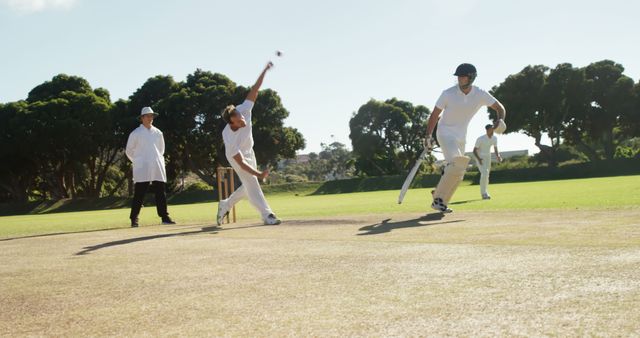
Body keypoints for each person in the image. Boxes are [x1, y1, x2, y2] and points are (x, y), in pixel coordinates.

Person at [424, 63, 506, 213]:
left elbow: (500, 108)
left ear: (471, 77)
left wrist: (500, 120)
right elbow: (434, 115)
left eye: (463, 77)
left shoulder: (480, 94)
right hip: (444, 133)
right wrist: (428, 135)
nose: (460, 80)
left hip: (462, 136)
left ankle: (440, 198)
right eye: (458, 78)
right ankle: (437, 200)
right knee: (457, 163)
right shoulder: (448, 93)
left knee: (459, 172)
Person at [216, 62, 281, 226]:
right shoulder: (229, 137)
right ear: (232, 123)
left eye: (241, 116)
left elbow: (255, 89)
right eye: (239, 120)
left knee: (247, 186)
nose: (243, 120)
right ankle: (267, 215)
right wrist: (258, 173)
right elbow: (241, 162)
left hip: (249, 151)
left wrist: (265, 70)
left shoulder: (243, 110)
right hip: (236, 157)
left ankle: (226, 204)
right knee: (252, 181)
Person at [125, 107, 176, 227]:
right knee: (140, 192)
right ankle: (134, 218)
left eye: (152, 116)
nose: (150, 118)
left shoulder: (158, 132)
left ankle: (164, 217)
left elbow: (161, 149)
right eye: (148, 116)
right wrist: (138, 161)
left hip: (156, 164)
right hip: (142, 166)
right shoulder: (135, 133)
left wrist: (156, 158)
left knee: (160, 192)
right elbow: (129, 150)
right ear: (142, 118)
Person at [473, 124, 502, 200]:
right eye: (491, 129)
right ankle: (484, 194)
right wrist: (479, 159)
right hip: (480, 157)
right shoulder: (480, 139)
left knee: (487, 175)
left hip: (488, 157)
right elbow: (474, 150)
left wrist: (498, 156)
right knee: (484, 173)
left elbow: (495, 149)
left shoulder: (495, 138)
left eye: (493, 129)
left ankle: (486, 192)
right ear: (487, 130)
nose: (493, 130)